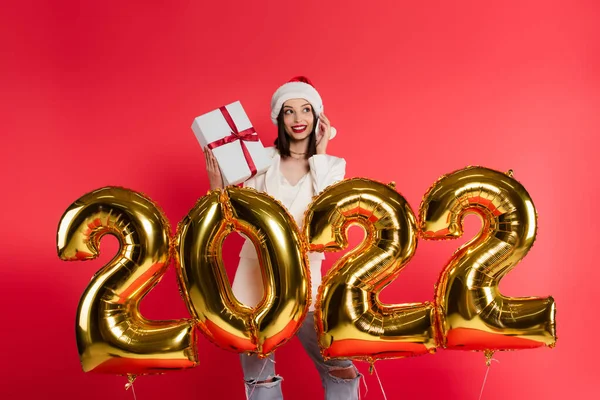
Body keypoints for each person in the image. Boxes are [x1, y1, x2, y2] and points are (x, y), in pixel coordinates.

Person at [204, 76, 360, 399]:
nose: (298, 119)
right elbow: (232, 216)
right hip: (254, 280)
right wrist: (217, 184)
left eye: (305, 110)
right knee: (259, 375)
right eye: (289, 111)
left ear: (318, 117)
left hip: (306, 280)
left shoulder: (332, 166)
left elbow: (327, 216)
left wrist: (320, 154)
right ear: (279, 118)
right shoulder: (261, 162)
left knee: (340, 365)